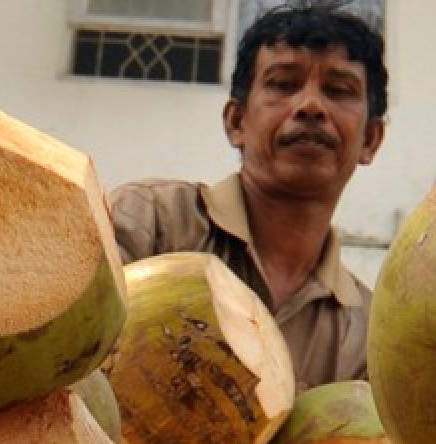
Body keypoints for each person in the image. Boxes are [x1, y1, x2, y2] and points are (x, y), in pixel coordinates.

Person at [107, 1, 387, 391]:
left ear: (370, 139)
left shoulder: (367, 336)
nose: (310, 106)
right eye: (283, 84)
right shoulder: (151, 222)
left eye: (338, 90)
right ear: (237, 121)